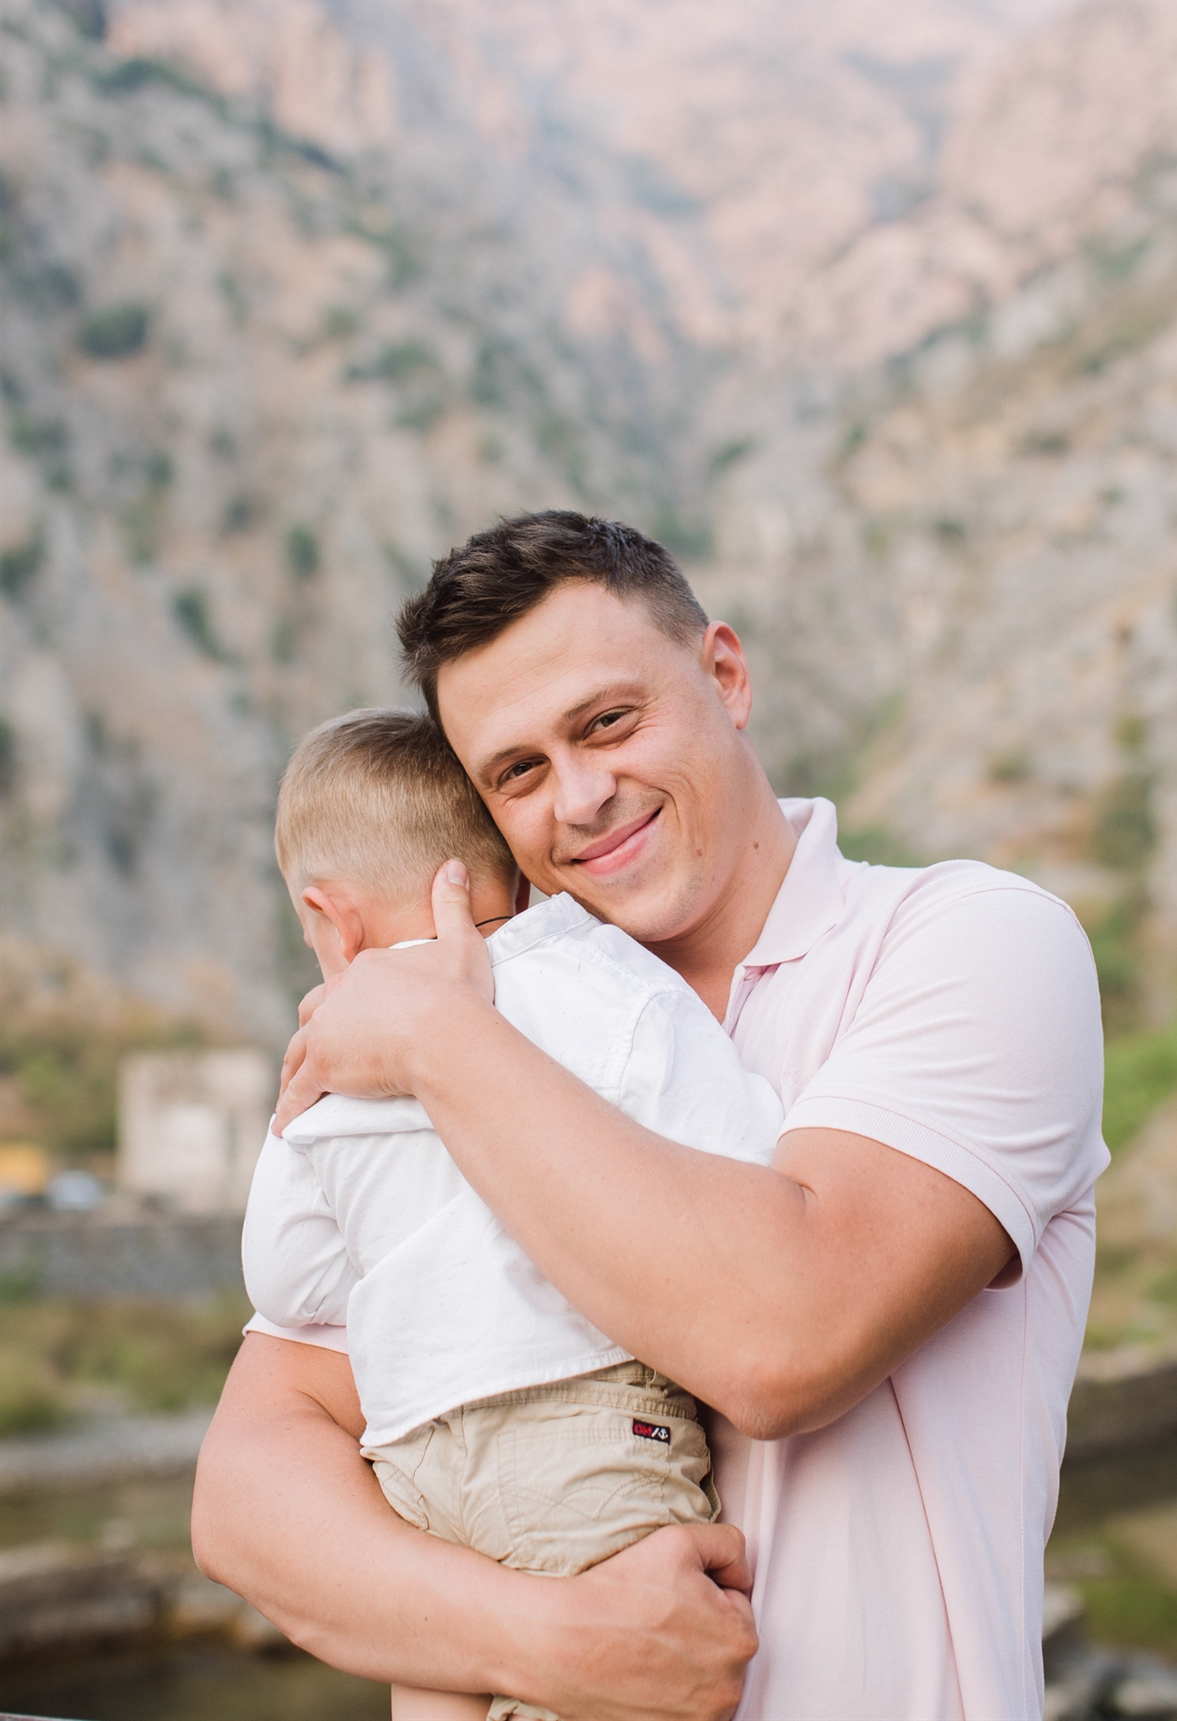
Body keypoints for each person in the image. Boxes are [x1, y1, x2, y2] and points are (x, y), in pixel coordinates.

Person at [194, 512, 1108, 1720]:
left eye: (608, 722)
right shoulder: (499, 1018)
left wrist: (433, 1039)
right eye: (518, 773)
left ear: (724, 675)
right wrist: (546, 1640)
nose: (580, 797)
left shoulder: (967, 944)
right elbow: (247, 1496)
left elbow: (784, 1341)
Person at [243, 705, 780, 1720]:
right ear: (517, 872)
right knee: (629, 1677)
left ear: (331, 920)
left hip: (413, 1453)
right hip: (586, 1432)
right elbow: (740, 1160)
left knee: (452, 1677)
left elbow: (286, 1278)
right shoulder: (603, 977)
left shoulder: (328, 1055)